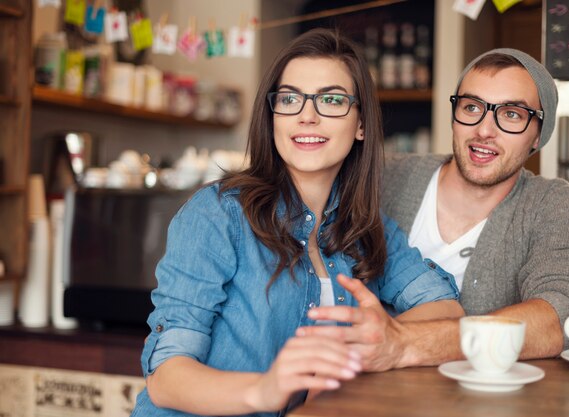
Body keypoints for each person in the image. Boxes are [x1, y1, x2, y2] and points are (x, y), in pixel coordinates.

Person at [130, 29, 462, 417]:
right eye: (289, 99)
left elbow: (447, 312)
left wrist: (386, 339)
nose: (307, 115)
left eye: (332, 100)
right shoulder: (218, 214)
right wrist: (264, 389)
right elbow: (166, 377)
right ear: (273, 118)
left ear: (362, 125)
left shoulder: (367, 229)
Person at [298, 48, 569, 369]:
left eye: (512, 114)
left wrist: (406, 343)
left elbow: (568, 311)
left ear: (538, 135)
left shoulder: (549, 202)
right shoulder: (383, 176)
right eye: (472, 107)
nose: (485, 130)